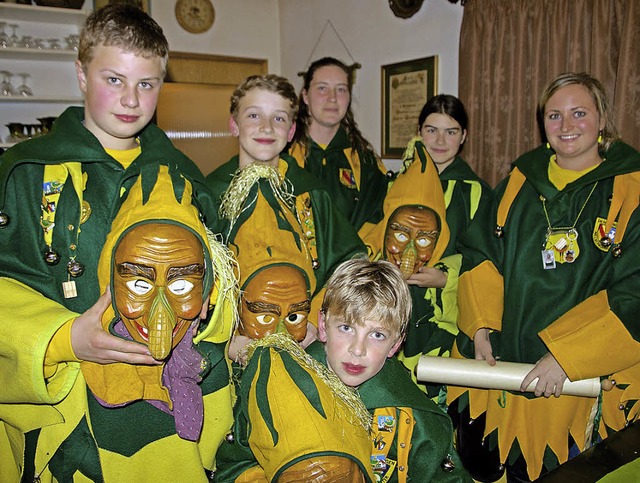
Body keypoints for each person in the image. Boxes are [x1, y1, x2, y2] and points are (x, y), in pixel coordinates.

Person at [0, 5, 233, 481]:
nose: (131, 100)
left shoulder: (185, 179)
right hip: (66, 407)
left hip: (162, 417)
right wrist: (64, 339)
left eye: (146, 84)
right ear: (82, 75)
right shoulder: (22, 173)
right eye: (114, 80)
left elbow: (219, 281)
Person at [448, 72, 640, 482]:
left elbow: (635, 292)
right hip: (512, 373)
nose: (566, 126)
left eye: (578, 113)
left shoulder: (633, 191)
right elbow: (482, 255)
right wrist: (480, 326)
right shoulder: (518, 183)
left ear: (602, 119)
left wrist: (569, 357)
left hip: (586, 385)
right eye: (554, 115)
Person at [206, 74, 366, 323]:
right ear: (234, 124)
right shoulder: (211, 193)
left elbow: (349, 262)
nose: (267, 127)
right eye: (253, 115)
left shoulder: (311, 193)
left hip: (302, 331)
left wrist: (314, 319)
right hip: (232, 335)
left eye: (279, 118)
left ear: (291, 131)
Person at [307, 258, 472, 482]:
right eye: (346, 328)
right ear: (324, 326)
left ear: (395, 344)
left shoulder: (413, 417)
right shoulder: (284, 379)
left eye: (377, 335)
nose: (358, 350)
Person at [391, 95, 493, 402]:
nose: (439, 140)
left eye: (450, 131)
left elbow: (485, 259)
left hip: (444, 317)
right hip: (395, 310)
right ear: (419, 132)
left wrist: (447, 278)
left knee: (432, 403)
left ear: (463, 136)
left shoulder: (475, 193)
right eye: (431, 129)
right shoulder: (399, 185)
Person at [289, 57, 390, 232]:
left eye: (341, 89)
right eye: (322, 88)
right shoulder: (284, 154)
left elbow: (378, 219)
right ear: (305, 96)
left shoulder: (365, 161)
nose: (332, 98)